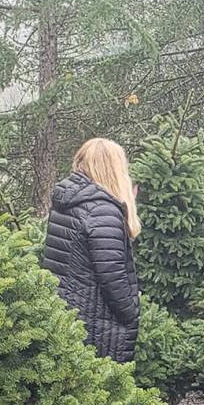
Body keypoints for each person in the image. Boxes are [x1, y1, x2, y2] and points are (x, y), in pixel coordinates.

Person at [43, 138, 141, 363]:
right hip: (96, 325)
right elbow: (113, 278)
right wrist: (132, 312)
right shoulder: (102, 211)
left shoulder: (68, 202)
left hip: (65, 316)